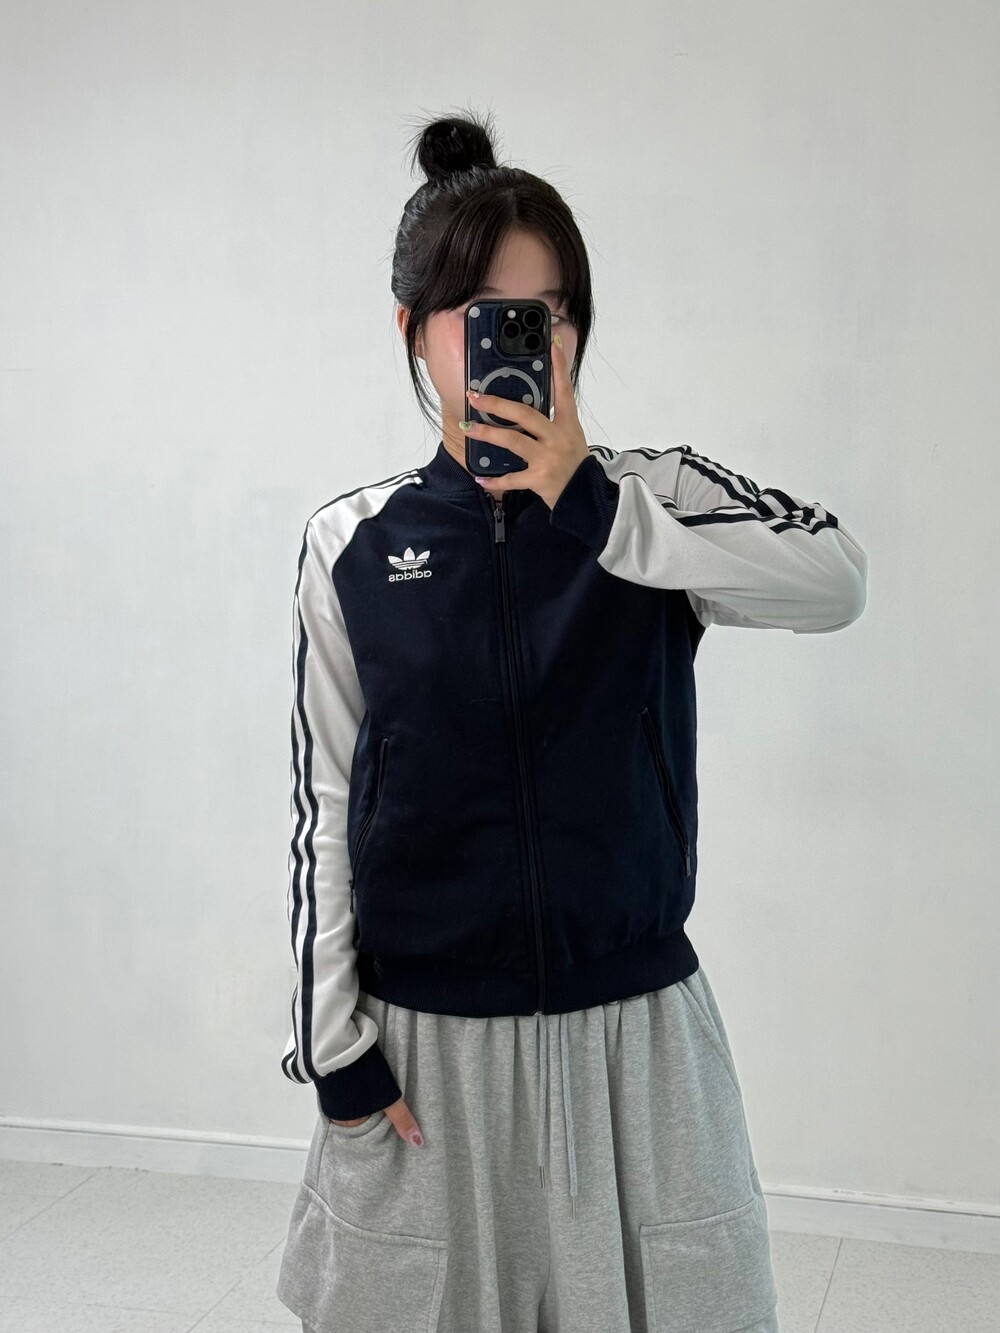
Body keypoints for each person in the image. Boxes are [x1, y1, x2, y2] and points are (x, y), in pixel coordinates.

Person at [275, 108, 867, 1333]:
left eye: (545, 314)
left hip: (632, 1042)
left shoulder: (655, 503)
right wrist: (333, 1047)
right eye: (480, 313)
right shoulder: (351, 544)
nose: (519, 341)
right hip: (426, 1049)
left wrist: (598, 511)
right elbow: (325, 808)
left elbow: (834, 582)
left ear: (577, 328)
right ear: (413, 329)